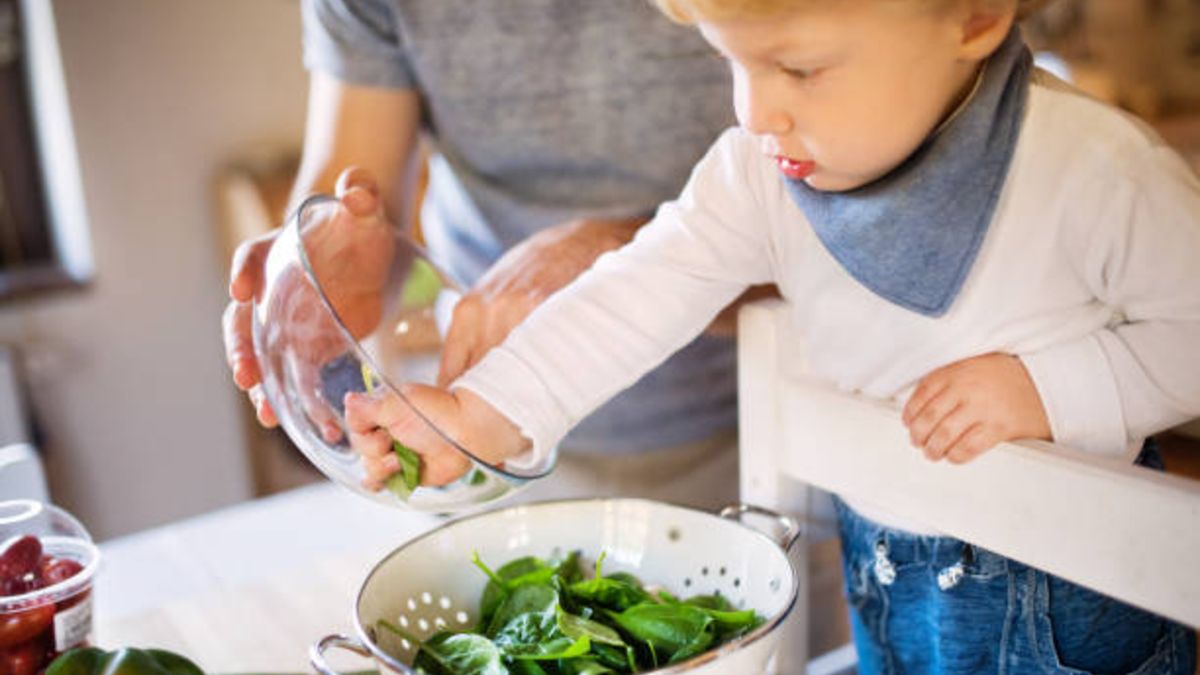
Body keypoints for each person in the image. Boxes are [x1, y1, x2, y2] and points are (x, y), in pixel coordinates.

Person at [344, 0, 1200, 672]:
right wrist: (478, 411)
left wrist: (1045, 391)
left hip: (1076, 608)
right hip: (889, 585)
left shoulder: (1095, 173)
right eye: (732, 64)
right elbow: (637, 295)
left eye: (799, 67)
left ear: (972, 17)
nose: (757, 111)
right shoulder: (757, 171)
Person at [221, 0, 770, 510]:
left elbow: (806, 234)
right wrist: (322, 274)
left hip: (760, 423)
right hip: (494, 453)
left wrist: (622, 258)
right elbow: (352, 187)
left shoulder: (756, 157)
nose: (765, 110)